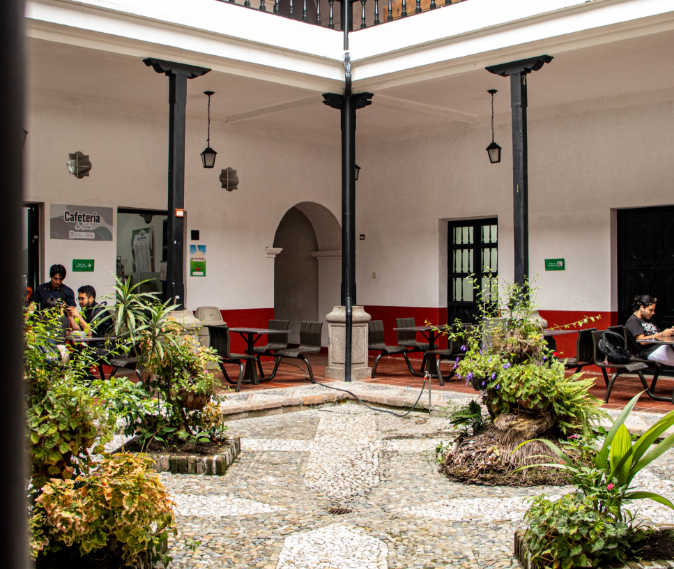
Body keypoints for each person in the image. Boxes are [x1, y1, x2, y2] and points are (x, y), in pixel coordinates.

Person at [625, 294, 674, 366]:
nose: (653, 313)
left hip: (661, 347)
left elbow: (658, 334)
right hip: (650, 351)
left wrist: (669, 332)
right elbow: (642, 341)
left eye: (653, 310)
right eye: (650, 310)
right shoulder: (633, 321)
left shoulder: (647, 319)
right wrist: (662, 334)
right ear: (642, 307)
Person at [68, 285, 112, 349]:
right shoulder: (87, 310)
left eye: (82, 299)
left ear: (91, 298)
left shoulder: (99, 311)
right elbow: (79, 329)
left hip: (103, 347)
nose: (80, 301)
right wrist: (70, 316)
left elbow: (90, 332)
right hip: (92, 346)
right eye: (79, 299)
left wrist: (78, 316)